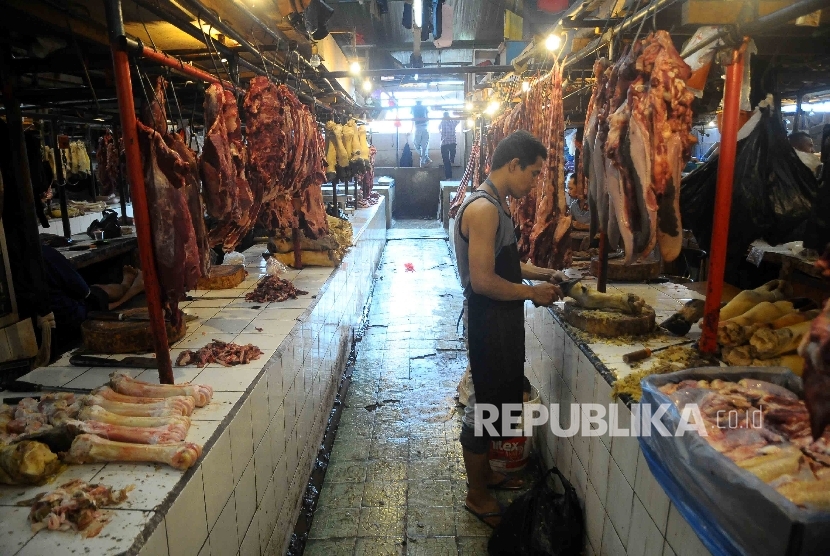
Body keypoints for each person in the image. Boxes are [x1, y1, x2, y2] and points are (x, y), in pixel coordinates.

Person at [453, 130, 564, 528]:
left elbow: (507, 266)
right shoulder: (483, 209)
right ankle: (476, 494)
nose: (535, 182)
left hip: (501, 317)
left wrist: (544, 273)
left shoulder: (496, 204)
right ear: (513, 164)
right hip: (490, 318)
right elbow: (483, 280)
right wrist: (531, 293)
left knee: (500, 400)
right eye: (533, 173)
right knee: (485, 407)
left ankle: (486, 476)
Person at [41, 245, 145, 355]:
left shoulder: (26, 257)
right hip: (72, 319)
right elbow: (83, 291)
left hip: (50, 321)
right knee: (99, 292)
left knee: (95, 288)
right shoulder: (45, 253)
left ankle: (125, 284)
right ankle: (132, 287)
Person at [411, 100, 431, 167]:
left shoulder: (414, 107)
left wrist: (411, 129)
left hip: (421, 126)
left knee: (419, 145)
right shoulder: (422, 107)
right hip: (423, 126)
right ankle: (425, 158)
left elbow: (413, 118)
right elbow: (427, 117)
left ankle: (423, 161)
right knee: (422, 146)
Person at [439, 112, 458, 179]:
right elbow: (458, 120)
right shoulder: (453, 122)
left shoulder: (442, 122)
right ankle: (452, 159)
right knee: (450, 159)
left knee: (446, 161)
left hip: (444, 143)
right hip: (452, 143)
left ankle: (448, 177)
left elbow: (439, 128)